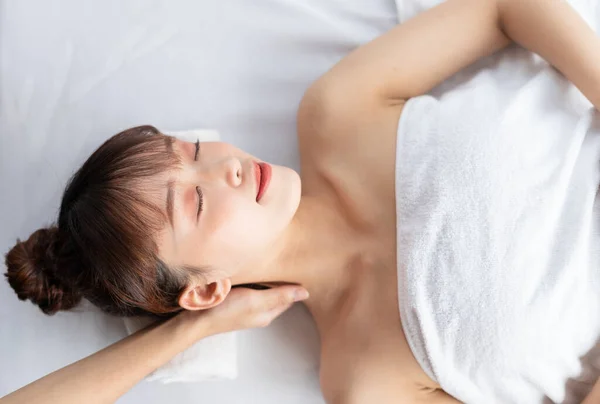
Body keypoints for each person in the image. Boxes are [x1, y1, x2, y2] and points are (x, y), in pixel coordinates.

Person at [4, 0, 600, 402]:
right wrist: (179, 336)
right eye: (197, 204)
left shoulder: (335, 113)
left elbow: (505, 9)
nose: (225, 167)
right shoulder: (363, 379)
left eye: (190, 149)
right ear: (206, 290)